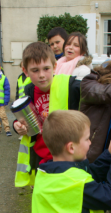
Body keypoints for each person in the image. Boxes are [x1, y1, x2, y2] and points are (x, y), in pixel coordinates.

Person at [13, 41, 80, 187]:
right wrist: (17, 126)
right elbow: (21, 118)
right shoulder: (28, 90)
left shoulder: (70, 86)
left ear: (55, 66)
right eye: (35, 70)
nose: (42, 75)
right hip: (40, 158)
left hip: (67, 159)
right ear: (25, 71)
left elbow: (99, 94)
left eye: (46, 68)